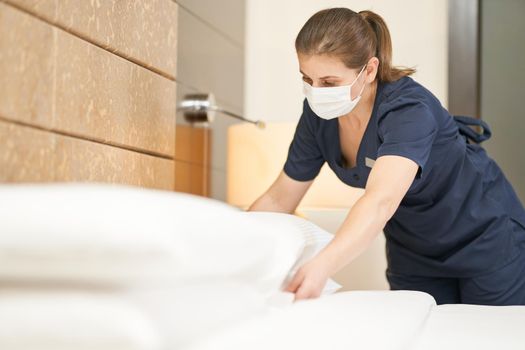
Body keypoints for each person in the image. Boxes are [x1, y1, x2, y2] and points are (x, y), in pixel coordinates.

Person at [247, 7, 525, 305]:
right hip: (413, 251)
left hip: (483, 237)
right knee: (422, 335)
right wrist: (232, 244)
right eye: (307, 79)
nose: (316, 92)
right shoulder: (318, 118)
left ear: (369, 70)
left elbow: (380, 200)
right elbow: (280, 198)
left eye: (329, 83)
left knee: (485, 337)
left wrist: (321, 266)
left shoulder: (408, 110)